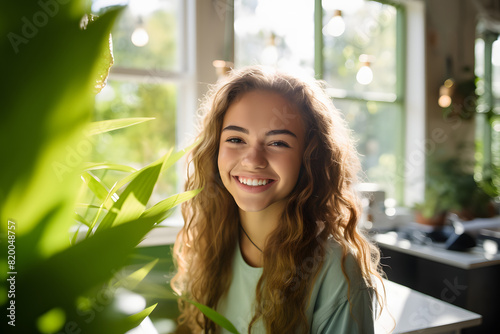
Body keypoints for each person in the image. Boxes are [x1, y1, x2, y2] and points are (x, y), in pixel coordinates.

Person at [172, 65, 385, 333]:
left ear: (310, 158)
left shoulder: (338, 270)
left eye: (277, 143)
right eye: (236, 139)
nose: (252, 160)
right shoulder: (209, 240)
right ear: (215, 149)